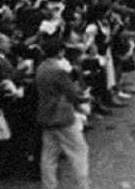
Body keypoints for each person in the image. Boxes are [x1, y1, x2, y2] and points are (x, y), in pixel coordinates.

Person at [35, 35, 90, 189]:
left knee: (49, 155)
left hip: (46, 115)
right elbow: (71, 93)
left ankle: (49, 185)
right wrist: (82, 102)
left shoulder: (41, 68)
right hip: (62, 115)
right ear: (60, 52)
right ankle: (82, 185)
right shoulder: (59, 71)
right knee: (79, 151)